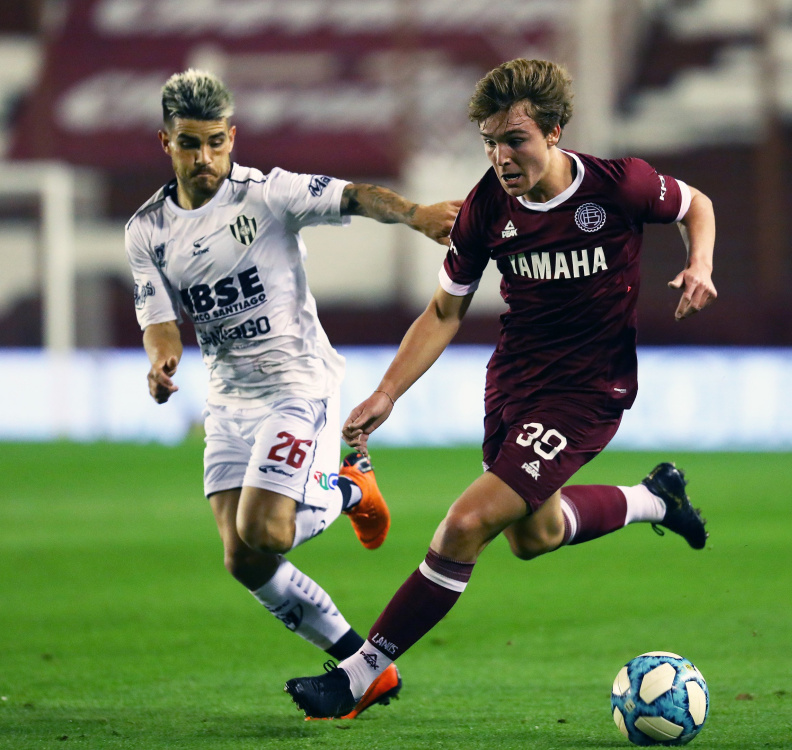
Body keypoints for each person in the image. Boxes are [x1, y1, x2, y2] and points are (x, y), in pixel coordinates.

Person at [284, 58, 717, 719]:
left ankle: (361, 672)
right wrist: (387, 393)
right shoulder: (486, 207)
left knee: (467, 525)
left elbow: (698, 205)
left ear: (555, 132)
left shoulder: (620, 186)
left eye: (514, 139)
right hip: (516, 384)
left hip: (587, 390)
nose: (500, 155)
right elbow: (444, 310)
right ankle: (655, 500)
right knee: (532, 535)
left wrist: (699, 265)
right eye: (489, 141)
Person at [127, 69, 460, 719]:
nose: (205, 159)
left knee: (266, 531)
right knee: (242, 559)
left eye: (216, 143)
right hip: (228, 400)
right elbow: (159, 320)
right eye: (190, 144)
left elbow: (356, 196)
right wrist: (161, 361)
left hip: (297, 385)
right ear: (164, 141)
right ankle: (363, 664)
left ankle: (346, 487)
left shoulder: (267, 194)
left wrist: (417, 216)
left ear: (232, 137)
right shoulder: (147, 230)